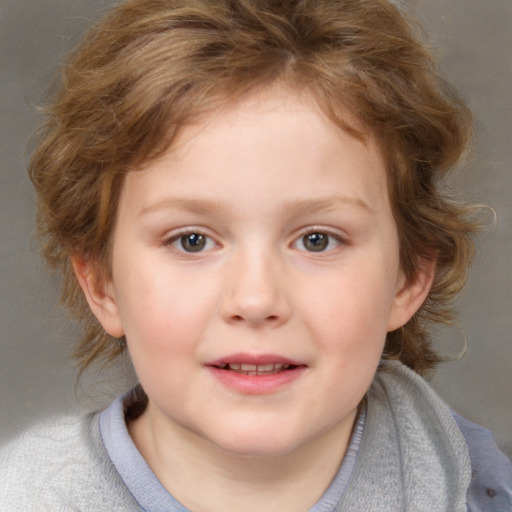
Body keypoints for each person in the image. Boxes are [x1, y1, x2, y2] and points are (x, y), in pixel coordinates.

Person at [1, 0, 510, 510]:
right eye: (192, 240)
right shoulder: (28, 496)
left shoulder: (475, 490)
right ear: (102, 285)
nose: (255, 298)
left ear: (407, 279)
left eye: (317, 239)